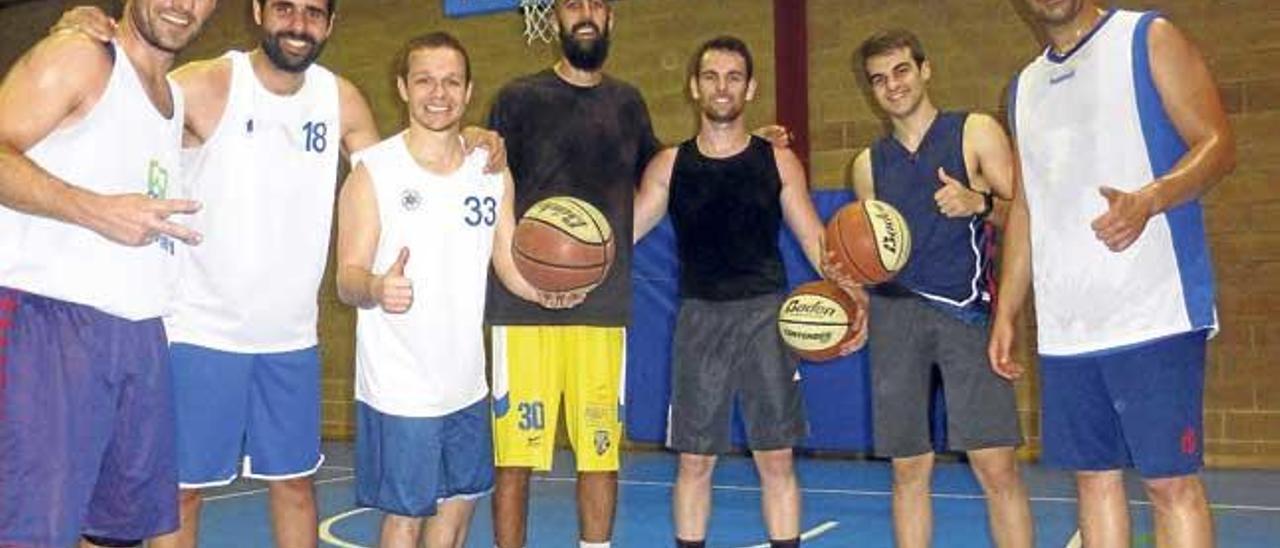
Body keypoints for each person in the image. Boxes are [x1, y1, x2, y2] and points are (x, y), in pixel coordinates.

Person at [53, 2, 504, 545]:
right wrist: (92, 35)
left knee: (295, 485)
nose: (298, 23)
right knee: (181, 491)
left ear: (330, 25)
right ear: (259, 11)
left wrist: (471, 136)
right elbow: (122, 105)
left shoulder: (340, 99)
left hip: (291, 337)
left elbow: (405, 171)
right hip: (201, 331)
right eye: (285, 8)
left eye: (314, 13)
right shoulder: (208, 83)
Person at [991, 2, 1235, 546]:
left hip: (1154, 309)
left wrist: (1150, 199)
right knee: (1093, 481)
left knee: (1171, 484)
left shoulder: (1147, 37)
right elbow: (1028, 208)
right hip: (1067, 324)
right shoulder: (1023, 86)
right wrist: (1007, 309)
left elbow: (1218, 144)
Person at [633, 36, 864, 548]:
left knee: (776, 459)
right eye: (711, 76)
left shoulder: (776, 162)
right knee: (694, 462)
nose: (722, 86)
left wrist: (855, 296)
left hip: (766, 318)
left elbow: (815, 240)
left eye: (733, 76)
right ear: (694, 87)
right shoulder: (670, 165)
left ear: (750, 87)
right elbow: (621, 235)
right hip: (699, 320)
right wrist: (567, 257)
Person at [0, 1, 217, 546]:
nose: (181, 3)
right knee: (33, 531)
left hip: (140, 331)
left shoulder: (174, 99)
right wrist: (94, 210)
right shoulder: (80, 57)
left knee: (116, 532)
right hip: (48, 324)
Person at [335, 31, 556, 548]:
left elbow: (507, 261)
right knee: (405, 519)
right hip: (400, 383)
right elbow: (346, 279)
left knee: (458, 510)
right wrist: (375, 286)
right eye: (426, 81)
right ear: (403, 88)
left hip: (466, 381)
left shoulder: (491, 172)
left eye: (451, 81)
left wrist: (545, 293)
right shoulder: (374, 173)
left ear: (469, 89)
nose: (439, 93)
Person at [484, 1, 659, 547]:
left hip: (602, 308)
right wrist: (520, 276)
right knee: (514, 459)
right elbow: (492, 185)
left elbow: (663, 177)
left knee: (600, 453)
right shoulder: (517, 98)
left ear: (612, 19)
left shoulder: (629, 103)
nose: (584, 13)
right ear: (553, 19)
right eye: (571, 4)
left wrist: (744, 144)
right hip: (522, 307)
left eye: (596, 4)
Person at [849, 30, 1033, 548]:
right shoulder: (867, 166)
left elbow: (1026, 214)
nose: (893, 85)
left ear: (924, 70)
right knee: (909, 470)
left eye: (902, 71)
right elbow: (868, 257)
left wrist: (979, 204)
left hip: (965, 315)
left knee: (995, 466)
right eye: (879, 79)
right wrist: (848, 283)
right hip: (894, 319)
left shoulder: (974, 131)